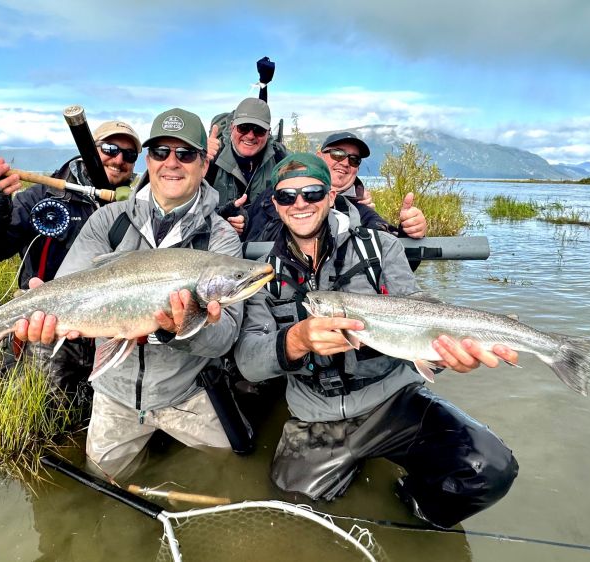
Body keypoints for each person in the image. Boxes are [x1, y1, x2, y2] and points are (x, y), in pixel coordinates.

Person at [234, 152, 519, 529]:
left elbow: (420, 322)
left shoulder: (382, 247)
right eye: (287, 197)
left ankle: (416, 505)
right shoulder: (263, 275)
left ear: (331, 196)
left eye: (312, 193)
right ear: (275, 204)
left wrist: (443, 357)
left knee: (490, 469)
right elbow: (248, 362)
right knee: (293, 510)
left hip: (393, 402)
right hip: (314, 414)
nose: (300, 204)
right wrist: (296, 340)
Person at [13, 108, 243, 477]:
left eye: (185, 154)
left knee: (233, 471)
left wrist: (180, 330)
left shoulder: (221, 239)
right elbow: (68, 289)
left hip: (185, 393)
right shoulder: (108, 220)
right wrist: (42, 310)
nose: (172, 163)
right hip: (114, 394)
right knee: (104, 483)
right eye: (160, 152)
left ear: (204, 164)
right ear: (148, 161)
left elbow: (225, 338)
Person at [0, 121, 142, 391]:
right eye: (110, 149)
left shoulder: (139, 208)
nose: (119, 159)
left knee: (91, 420)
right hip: (43, 329)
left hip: (109, 331)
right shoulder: (40, 198)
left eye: (129, 155)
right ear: (89, 151)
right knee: (39, 418)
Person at [243, 131, 427, 242]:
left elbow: (395, 259)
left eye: (354, 159)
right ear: (319, 156)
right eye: (338, 154)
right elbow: (245, 233)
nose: (345, 162)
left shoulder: (362, 211)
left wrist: (409, 231)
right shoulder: (272, 193)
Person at [205, 97, 289, 236]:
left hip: (264, 245)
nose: (250, 135)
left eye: (259, 130)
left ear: (268, 133)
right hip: (216, 244)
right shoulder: (211, 158)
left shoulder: (280, 158)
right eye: (243, 127)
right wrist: (196, 161)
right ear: (232, 127)